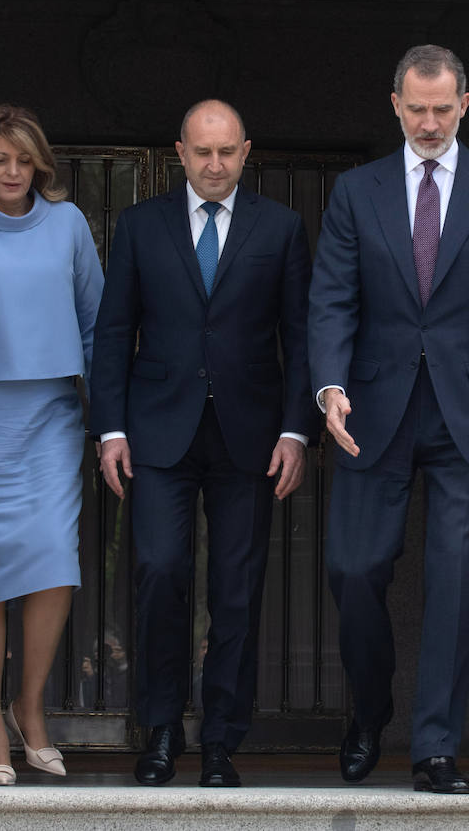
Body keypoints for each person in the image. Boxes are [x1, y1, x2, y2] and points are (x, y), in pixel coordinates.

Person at [307, 45, 469, 794]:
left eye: (444, 109)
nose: (431, 122)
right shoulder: (356, 190)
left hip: (467, 413)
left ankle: (436, 749)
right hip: (371, 411)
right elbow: (333, 298)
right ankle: (370, 710)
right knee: (353, 568)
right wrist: (329, 385)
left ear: (464, 104)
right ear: (395, 104)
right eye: (418, 109)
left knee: (450, 580)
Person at [90, 99, 315, 788]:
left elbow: (301, 337)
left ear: (246, 152)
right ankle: (159, 731)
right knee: (159, 574)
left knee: (238, 592)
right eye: (202, 152)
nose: (214, 164)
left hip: (250, 436)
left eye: (227, 152)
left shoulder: (280, 228)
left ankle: (220, 740)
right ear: (181, 153)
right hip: (158, 432)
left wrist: (295, 429)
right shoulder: (140, 226)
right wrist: (111, 428)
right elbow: (111, 331)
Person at [0, 104, 104, 785]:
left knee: (53, 560)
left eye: (23, 160)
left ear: (40, 164)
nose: (11, 172)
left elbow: (97, 325)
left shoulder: (67, 225)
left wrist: (107, 421)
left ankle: (28, 707)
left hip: (53, 418)